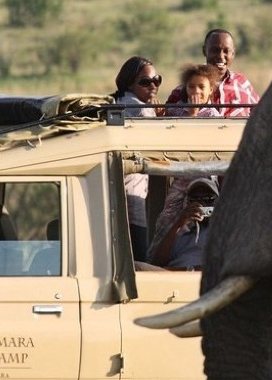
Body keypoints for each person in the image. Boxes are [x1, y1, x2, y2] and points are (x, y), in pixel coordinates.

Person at [110, 56, 161, 260]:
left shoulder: (113, 103)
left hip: (109, 193)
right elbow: (158, 149)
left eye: (157, 80)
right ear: (129, 83)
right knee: (138, 261)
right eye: (145, 82)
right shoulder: (143, 109)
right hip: (133, 194)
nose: (153, 86)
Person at [164, 29, 258, 117]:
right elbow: (168, 122)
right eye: (215, 50)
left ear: (233, 53)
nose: (221, 56)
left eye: (226, 51)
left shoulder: (243, 84)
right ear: (205, 51)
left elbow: (260, 116)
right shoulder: (184, 89)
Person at [149, 177, 217, 270]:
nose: (201, 203)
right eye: (194, 199)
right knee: (135, 268)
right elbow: (157, 262)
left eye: (208, 198)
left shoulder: (223, 233)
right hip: (169, 276)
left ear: (217, 202)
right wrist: (179, 223)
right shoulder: (181, 232)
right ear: (188, 202)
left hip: (193, 276)